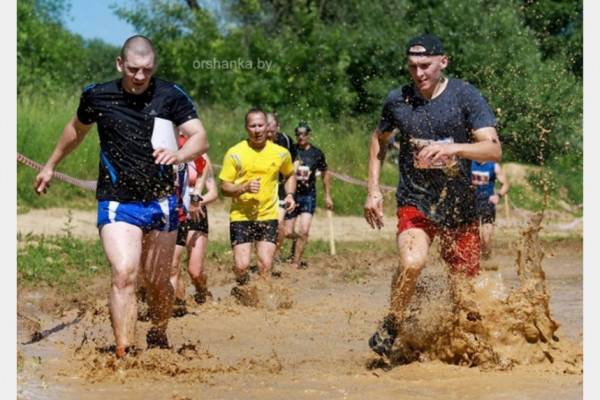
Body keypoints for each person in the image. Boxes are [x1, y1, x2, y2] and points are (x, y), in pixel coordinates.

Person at [34, 35, 208, 358]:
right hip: (117, 201)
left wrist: (180, 155)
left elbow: (200, 137)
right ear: (120, 64)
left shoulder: (171, 95)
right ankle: (124, 353)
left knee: (158, 282)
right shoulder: (98, 96)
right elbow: (75, 130)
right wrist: (50, 165)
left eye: (146, 70)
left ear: (153, 67)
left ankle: (158, 332)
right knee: (124, 273)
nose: (140, 77)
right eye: (133, 70)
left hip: (161, 203)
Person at [363, 33, 502, 357]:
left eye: (425, 66)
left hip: (460, 205)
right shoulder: (398, 100)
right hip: (417, 200)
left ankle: (459, 344)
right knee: (412, 262)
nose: (419, 74)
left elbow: (493, 149)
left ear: (443, 62)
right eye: (412, 67)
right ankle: (393, 322)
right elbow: (378, 140)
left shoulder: (465, 96)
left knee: (464, 292)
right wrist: (373, 191)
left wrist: (453, 147)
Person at [218, 109, 296, 288]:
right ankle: (242, 289)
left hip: (268, 214)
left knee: (265, 264)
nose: (257, 130)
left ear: (267, 127)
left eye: (261, 125)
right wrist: (243, 187)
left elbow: (290, 174)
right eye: (253, 126)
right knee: (242, 265)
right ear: (247, 128)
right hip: (241, 216)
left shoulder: (280, 152)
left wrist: (290, 194)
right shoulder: (235, 152)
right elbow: (224, 187)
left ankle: (263, 299)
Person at [170, 133, 218, 309]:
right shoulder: (167, 149)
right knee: (173, 264)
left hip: (197, 213)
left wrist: (196, 202)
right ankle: (178, 301)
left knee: (195, 271)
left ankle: (202, 291)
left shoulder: (200, 155)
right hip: (174, 212)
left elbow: (213, 192)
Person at [283, 122, 333, 269]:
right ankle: (298, 241)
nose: (301, 137)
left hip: (308, 195)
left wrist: (327, 195)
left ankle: (295, 262)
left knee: (304, 230)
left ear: (309, 135)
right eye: (298, 134)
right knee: (287, 231)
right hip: (292, 195)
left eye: (304, 134)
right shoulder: (291, 151)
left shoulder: (316, 153)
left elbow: (325, 173)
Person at [265, 112, 298, 265]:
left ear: (277, 127)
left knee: (278, 223)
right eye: (267, 131)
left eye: (272, 131)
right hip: (263, 188)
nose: (269, 135)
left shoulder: (285, 140)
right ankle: (264, 254)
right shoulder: (256, 141)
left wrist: (292, 172)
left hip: (281, 188)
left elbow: (295, 159)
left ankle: (275, 255)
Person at [470, 161, 509, 259]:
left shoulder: (494, 166)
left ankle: (486, 261)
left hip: (487, 203)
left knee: (485, 238)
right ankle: (474, 262)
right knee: (472, 236)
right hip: (471, 203)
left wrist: (498, 195)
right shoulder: (469, 163)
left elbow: (505, 184)